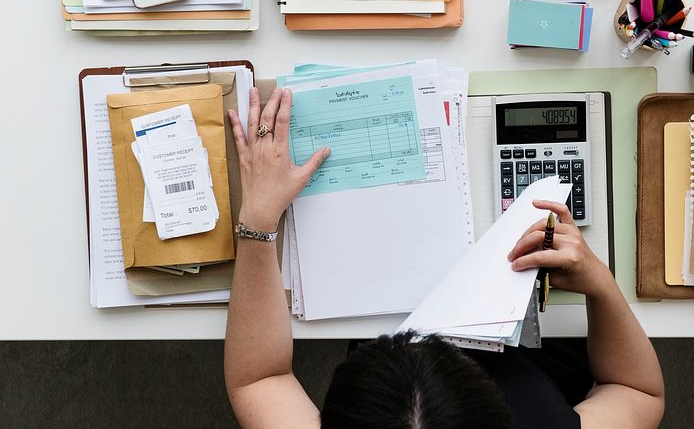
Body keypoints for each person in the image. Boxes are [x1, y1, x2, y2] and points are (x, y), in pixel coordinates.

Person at [224, 87, 665, 429]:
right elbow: (637, 392)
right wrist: (601, 285)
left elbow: (258, 379)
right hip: (543, 356)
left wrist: (258, 220)